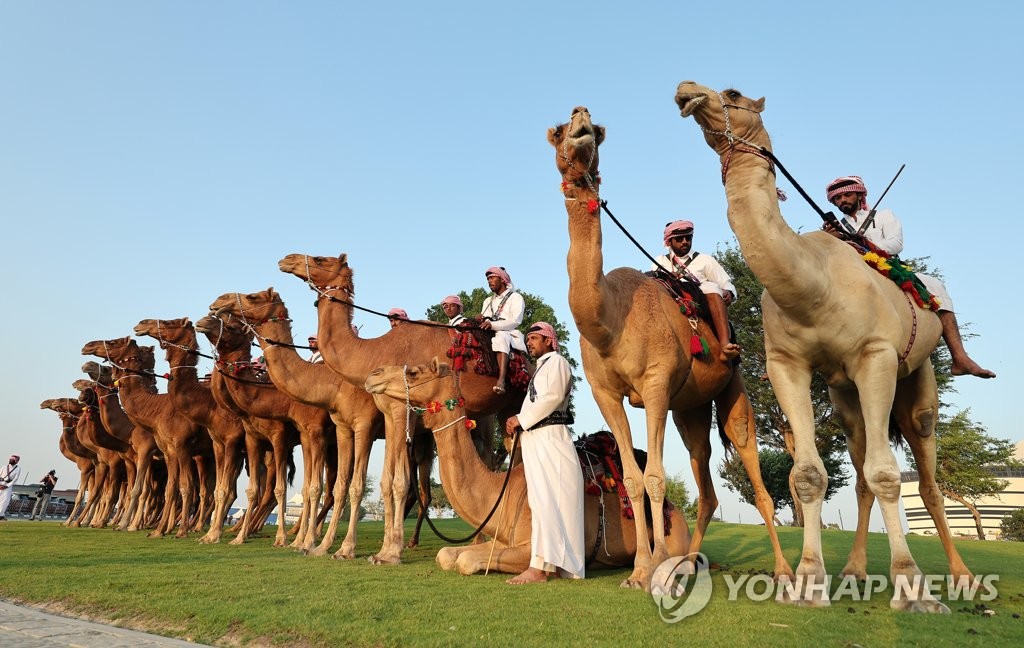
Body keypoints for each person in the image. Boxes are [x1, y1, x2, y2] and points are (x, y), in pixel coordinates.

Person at [824, 176, 995, 379]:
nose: (843, 200)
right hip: (851, 273)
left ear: (859, 195)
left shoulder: (883, 215)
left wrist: (863, 241)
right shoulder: (835, 228)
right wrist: (831, 240)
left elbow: (896, 244)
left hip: (888, 267)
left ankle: (960, 358)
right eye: (838, 198)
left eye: (847, 195)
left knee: (936, 285)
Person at [504, 322, 585, 584]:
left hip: (551, 439)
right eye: (528, 339)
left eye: (534, 338)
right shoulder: (542, 368)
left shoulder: (558, 362)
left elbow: (551, 398)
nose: (530, 343)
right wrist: (520, 421)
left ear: (549, 340)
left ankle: (540, 568)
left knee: (548, 502)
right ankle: (547, 565)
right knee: (542, 503)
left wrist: (520, 419)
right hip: (537, 439)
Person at [652, 220, 740, 361]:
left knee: (712, 287)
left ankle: (725, 344)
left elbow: (727, 284)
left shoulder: (706, 260)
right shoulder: (660, 261)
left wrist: (729, 293)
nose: (685, 241)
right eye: (679, 239)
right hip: (672, 303)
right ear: (669, 242)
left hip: (700, 303)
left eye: (688, 238)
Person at [479, 267, 527, 394]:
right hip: (489, 331)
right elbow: (486, 317)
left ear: (502, 279)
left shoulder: (516, 297)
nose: (489, 281)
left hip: (509, 332)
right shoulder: (488, 301)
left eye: (492, 278)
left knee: (501, 337)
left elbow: (516, 321)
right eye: (488, 279)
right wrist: (481, 319)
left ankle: (501, 380)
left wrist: (493, 325)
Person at [0, 454, 22, 520]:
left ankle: (1, 515)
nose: (11, 460)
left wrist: (7, 486)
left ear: (17, 461)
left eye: (13, 460)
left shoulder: (18, 469)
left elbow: (15, 479)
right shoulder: (4, 467)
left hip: (7, 487)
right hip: (0, 484)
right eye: (10, 459)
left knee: (5, 501)